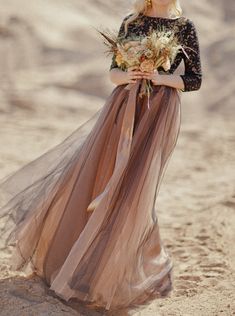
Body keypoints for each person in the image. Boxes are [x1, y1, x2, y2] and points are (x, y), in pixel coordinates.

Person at [0, 0, 202, 313]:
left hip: (158, 112)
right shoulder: (131, 22)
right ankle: (72, 261)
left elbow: (194, 79)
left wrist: (160, 78)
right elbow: (113, 74)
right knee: (100, 175)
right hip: (122, 108)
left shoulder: (184, 26)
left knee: (135, 188)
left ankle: (121, 271)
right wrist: (131, 74)